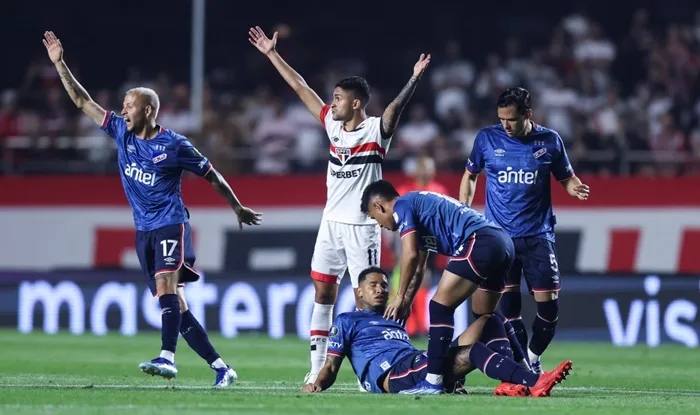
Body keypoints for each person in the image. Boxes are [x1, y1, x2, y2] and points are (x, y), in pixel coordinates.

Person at [43, 31, 262, 387]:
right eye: (123, 105)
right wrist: (59, 64)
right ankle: (222, 368)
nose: (122, 109)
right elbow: (83, 102)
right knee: (177, 306)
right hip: (143, 229)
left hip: (171, 224)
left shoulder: (174, 145)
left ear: (147, 110)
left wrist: (236, 207)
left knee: (165, 286)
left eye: (128, 105)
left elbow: (212, 174)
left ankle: (167, 357)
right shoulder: (120, 132)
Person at [248, 26, 431, 386]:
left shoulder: (376, 132)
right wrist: (272, 54)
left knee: (372, 301)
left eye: (338, 98)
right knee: (323, 291)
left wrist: (412, 79)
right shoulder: (333, 125)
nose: (333, 103)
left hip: (362, 228)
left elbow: (395, 109)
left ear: (357, 103)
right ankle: (317, 367)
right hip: (330, 223)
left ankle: (376, 366)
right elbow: (301, 87)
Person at [458, 87, 590, 373]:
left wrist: (574, 187)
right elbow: (470, 176)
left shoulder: (550, 141)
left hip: (537, 238)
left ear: (528, 115)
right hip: (499, 240)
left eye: (511, 120)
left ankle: (532, 355)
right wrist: (465, 210)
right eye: (501, 119)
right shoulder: (486, 139)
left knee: (549, 309)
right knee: (508, 309)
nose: (505, 126)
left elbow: (566, 177)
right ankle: (524, 366)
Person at [301, 267, 572, 396]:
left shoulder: (393, 318)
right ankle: (532, 381)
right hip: (394, 374)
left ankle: (512, 381)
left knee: (490, 319)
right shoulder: (347, 320)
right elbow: (332, 365)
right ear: (358, 292)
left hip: (416, 362)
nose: (381, 289)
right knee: (474, 351)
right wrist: (317, 384)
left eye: (384, 285)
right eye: (373, 285)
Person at [361, 180, 514, 394]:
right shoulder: (419, 209)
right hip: (502, 241)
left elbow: (410, 254)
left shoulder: (402, 206)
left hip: (478, 240)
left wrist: (398, 296)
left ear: (379, 206)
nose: (379, 225)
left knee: (440, 307)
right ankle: (520, 373)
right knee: (485, 317)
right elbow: (419, 266)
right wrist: (407, 300)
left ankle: (433, 381)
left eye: (374, 218)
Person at [392, 155, 448, 336]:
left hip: (430, 243)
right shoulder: (404, 190)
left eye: (430, 168)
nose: (426, 172)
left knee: (424, 279)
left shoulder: (440, 190)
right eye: (423, 168)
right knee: (403, 279)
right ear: (416, 171)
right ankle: (405, 323)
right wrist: (393, 245)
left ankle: (420, 325)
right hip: (406, 242)